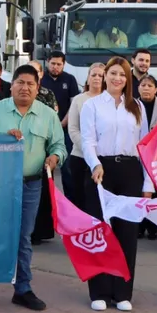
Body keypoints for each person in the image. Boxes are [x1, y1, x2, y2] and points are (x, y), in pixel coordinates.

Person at [0, 65, 66, 313]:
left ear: (37, 88)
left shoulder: (48, 115)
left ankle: (22, 289)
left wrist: (53, 159)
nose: (25, 88)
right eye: (20, 83)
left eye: (30, 84)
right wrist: (1, 140)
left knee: (23, 238)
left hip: (31, 183)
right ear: (10, 85)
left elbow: (59, 147)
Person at [79, 57, 154, 312]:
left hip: (130, 171)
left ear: (128, 78)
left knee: (126, 233)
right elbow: (88, 141)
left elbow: (144, 146)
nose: (117, 79)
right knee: (101, 232)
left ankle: (122, 292)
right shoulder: (92, 106)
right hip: (102, 172)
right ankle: (99, 291)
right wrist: (94, 164)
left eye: (122, 75)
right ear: (103, 76)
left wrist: (147, 183)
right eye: (112, 74)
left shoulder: (137, 107)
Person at [27, 59, 59, 244]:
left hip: (44, 142)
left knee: (43, 192)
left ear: (40, 75)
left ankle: (40, 231)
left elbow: (54, 115)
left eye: (35, 71)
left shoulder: (47, 93)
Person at [66, 64, 106, 208]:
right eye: (93, 75)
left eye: (101, 75)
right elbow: (73, 128)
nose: (97, 78)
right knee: (80, 197)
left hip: (103, 157)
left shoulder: (109, 100)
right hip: (80, 156)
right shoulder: (78, 99)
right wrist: (88, 150)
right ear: (88, 78)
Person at [42, 50, 80, 202]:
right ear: (47, 63)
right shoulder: (41, 79)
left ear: (63, 65)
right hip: (43, 130)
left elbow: (74, 105)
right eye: (53, 64)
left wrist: (62, 123)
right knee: (43, 166)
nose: (55, 67)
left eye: (59, 64)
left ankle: (70, 202)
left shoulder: (69, 80)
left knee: (67, 168)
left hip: (64, 129)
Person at [136, 74, 157, 239]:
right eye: (143, 85)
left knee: (156, 191)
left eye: (150, 86)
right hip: (137, 154)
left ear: (156, 89)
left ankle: (153, 227)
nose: (146, 88)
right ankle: (139, 226)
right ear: (138, 87)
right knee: (139, 190)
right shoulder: (132, 105)